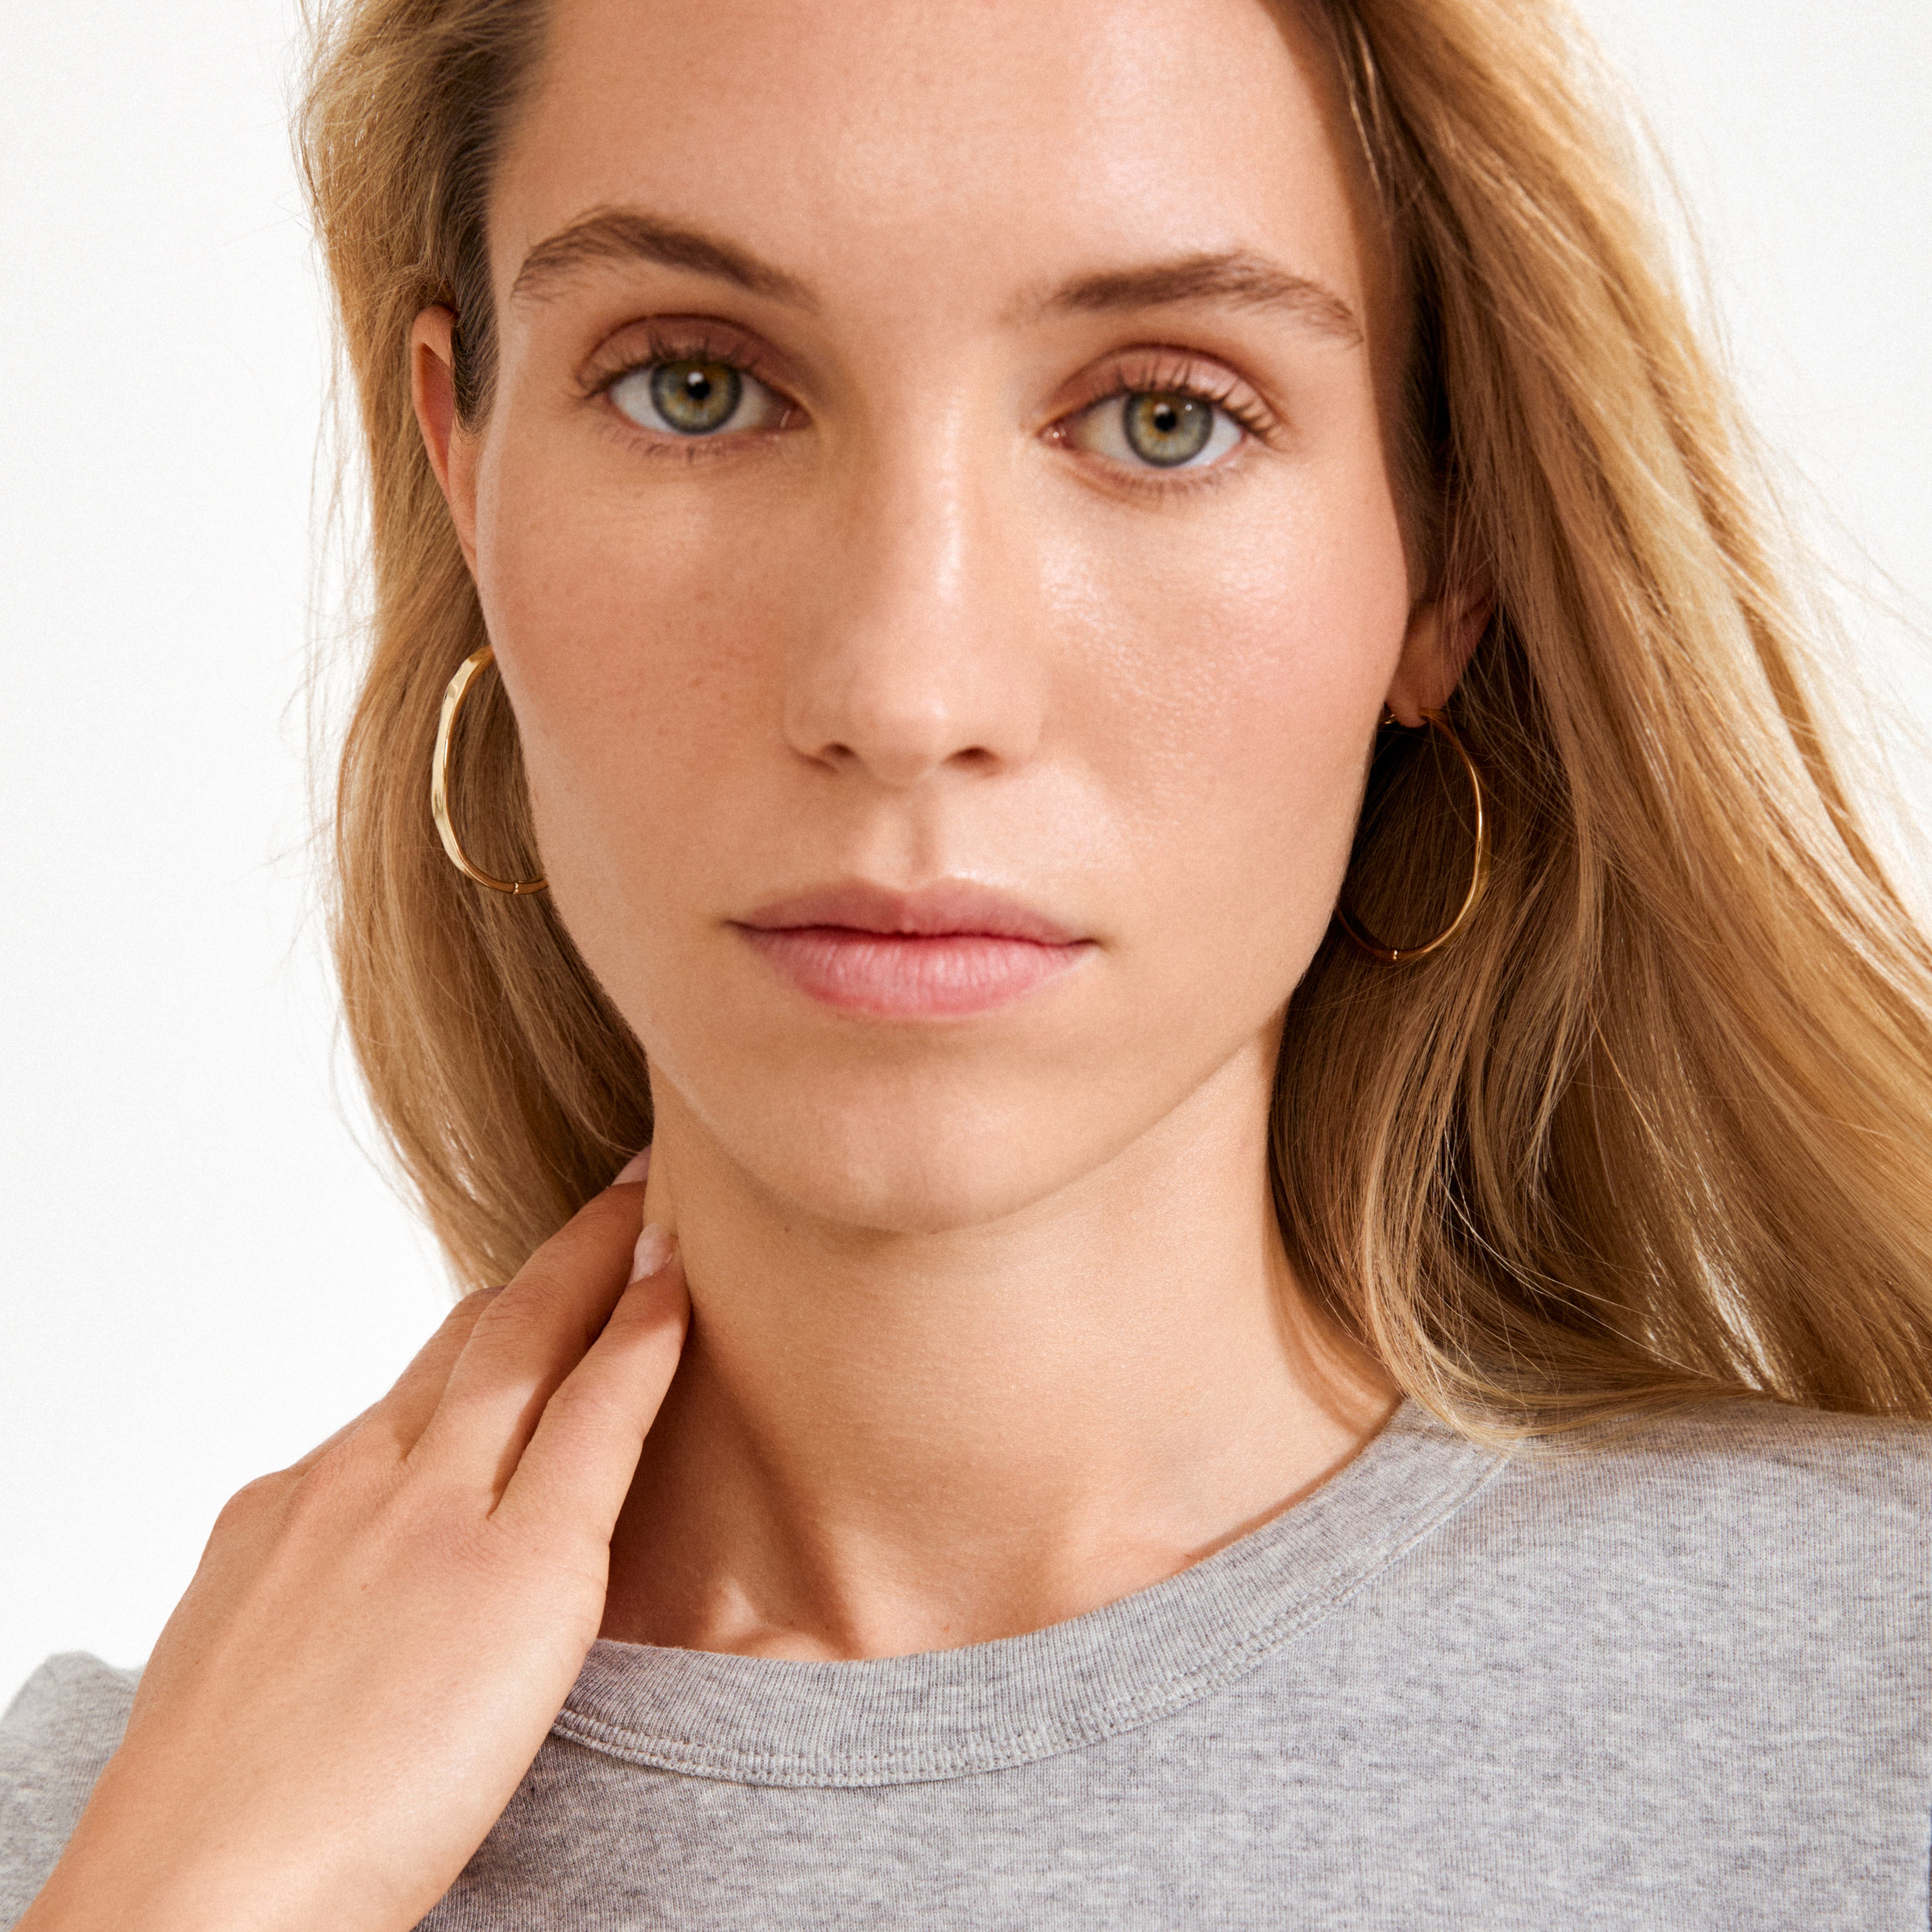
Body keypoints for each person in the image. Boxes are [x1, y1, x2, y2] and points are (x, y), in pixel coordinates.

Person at [5, 0, 1930, 1923]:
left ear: (1443, 555)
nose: (904, 693)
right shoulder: (110, 1830)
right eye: (695, 385)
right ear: (463, 468)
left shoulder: (1874, 1713)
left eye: (1160, 415)